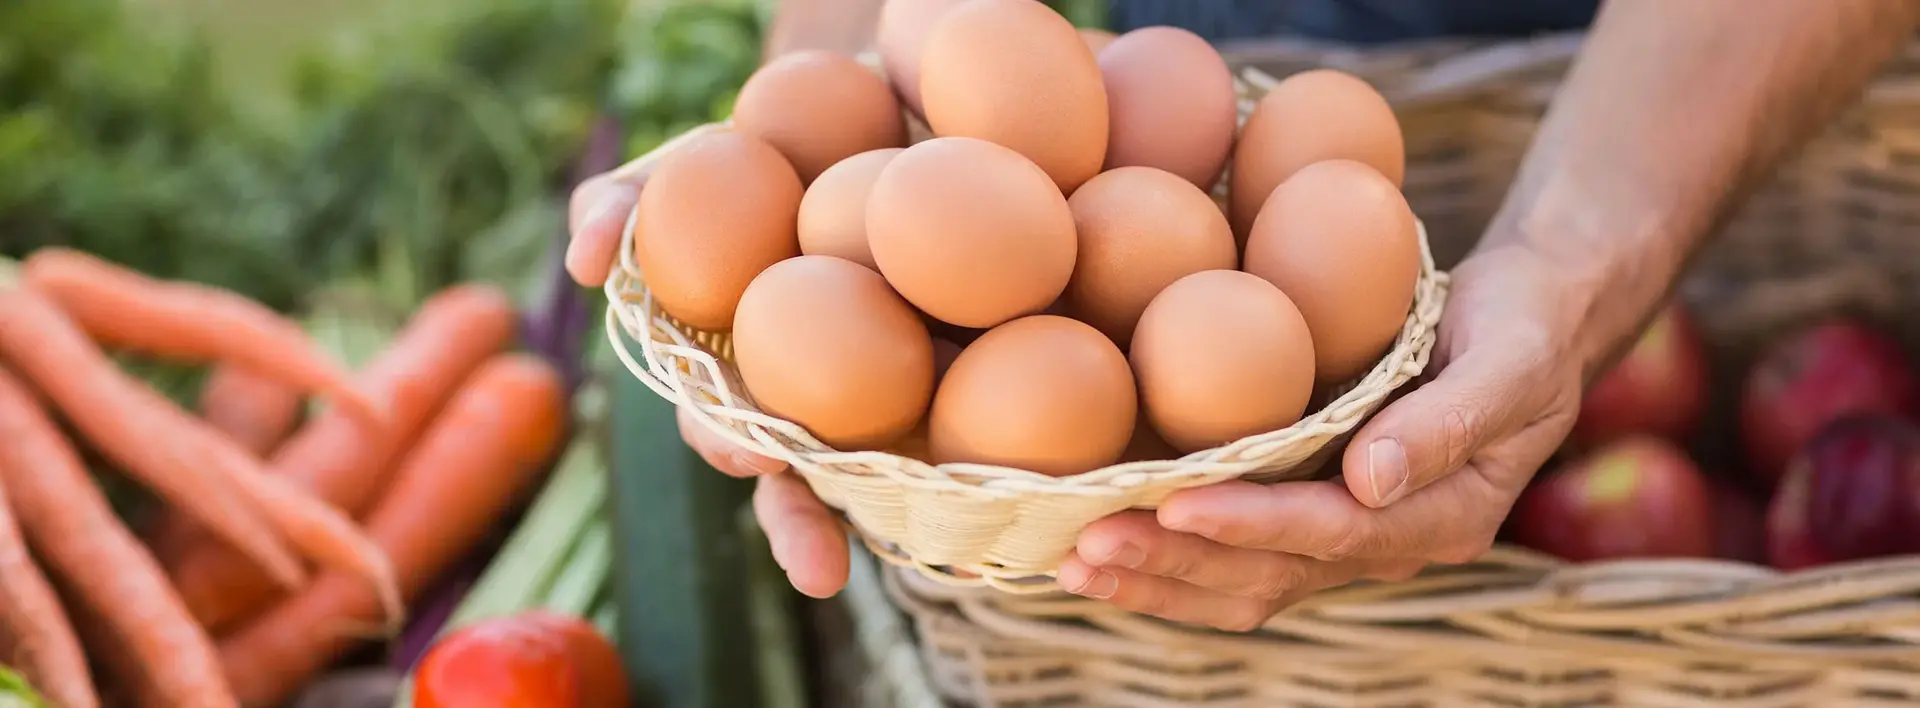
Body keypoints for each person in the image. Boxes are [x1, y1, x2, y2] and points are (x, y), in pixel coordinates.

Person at [564, 0, 1920, 632]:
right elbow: (927, 70)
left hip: (1651, 84)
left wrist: (1569, 264)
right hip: (1192, 123)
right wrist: (813, 114)